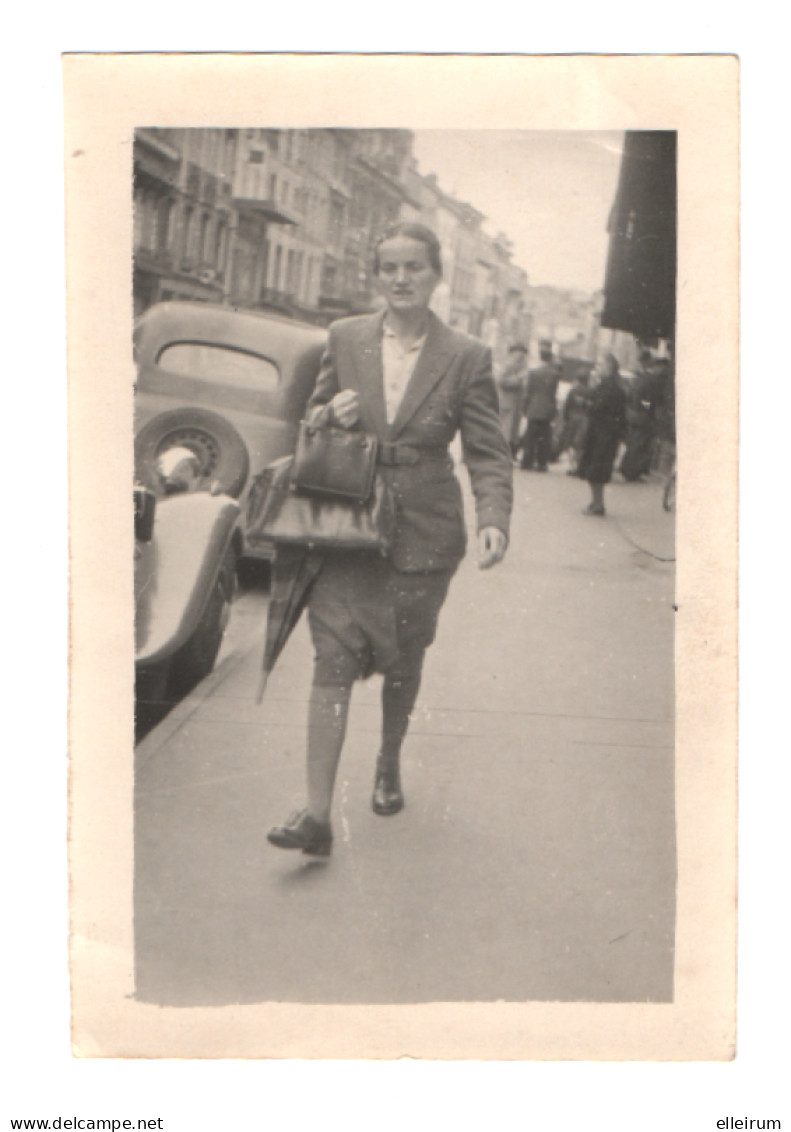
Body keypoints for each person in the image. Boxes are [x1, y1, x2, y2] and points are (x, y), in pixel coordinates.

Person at [267, 222, 513, 858]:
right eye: (389, 268)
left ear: (436, 276)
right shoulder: (345, 336)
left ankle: (388, 759)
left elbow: (487, 451)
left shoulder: (466, 355)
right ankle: (317, 815)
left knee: (403, 657)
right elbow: (312, 417)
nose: (401, 278)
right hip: (349, 523)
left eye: (414, 267)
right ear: (375, 275)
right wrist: (327, 417)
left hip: (425, 529)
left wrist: (493, 516)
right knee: (334, 657)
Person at [577, 353, 627, 516]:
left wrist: (585, 404)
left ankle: (598, 504)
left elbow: (599, 407)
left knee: (597, 470)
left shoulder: (611, 387)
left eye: (600, 365)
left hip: (604, 435)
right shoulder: (606, 385)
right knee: (595, 469)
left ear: (609, 367)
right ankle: (596, 502)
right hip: (601, 433)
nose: (597, 368)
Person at [519, 340, 560, 471]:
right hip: (547, 407)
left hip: (533, 406)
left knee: (530, 436)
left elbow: (528, 392)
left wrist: (525, 407)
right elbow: (553, 393)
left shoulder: (533, 372)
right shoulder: (554, 374)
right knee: (544, 437)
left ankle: (527, 461)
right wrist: (553, 409)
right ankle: (542, 463)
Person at [619, 349, 659, 482]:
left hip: (632, 413)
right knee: (639, 444)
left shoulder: (637, 379)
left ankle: (626, 468)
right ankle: (631, 471)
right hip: (642, 415)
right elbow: (647, 400)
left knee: (633, 442)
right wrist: (648, 410)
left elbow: (631, 397)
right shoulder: (650, 380)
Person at [554, 366, 593, 474]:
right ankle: (578, 466)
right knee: (580, 444)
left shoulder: (573, 391)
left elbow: (567, 406)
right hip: (585, 420)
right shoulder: (591, 392)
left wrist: (566, 419)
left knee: (570, 443)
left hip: (573, 419)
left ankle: (572, 466)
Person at [496, 343, 529, 458]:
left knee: (513, 430)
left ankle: (509, 452)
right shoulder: (508, 365)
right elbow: (501, 381)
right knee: (506, 429)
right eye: (520, 354)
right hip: (507, 402)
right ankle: (501, 453)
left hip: (516, 403)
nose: (522, 357)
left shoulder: (522, 367)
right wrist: (519, 379)